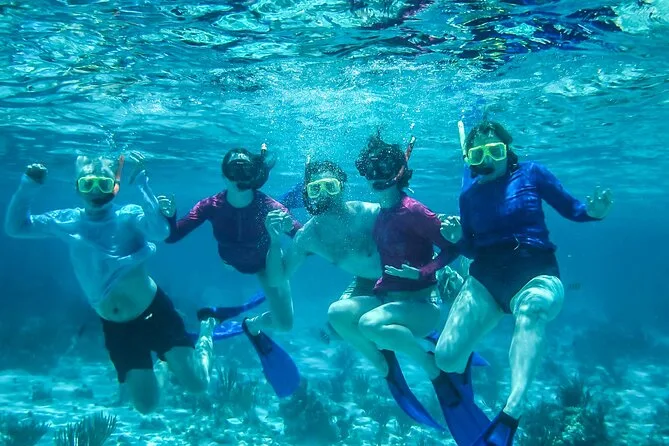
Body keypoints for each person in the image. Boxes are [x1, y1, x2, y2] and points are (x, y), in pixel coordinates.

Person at [435, 120, 613, 445]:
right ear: (470, 158)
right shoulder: (469, 194)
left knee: (531, 311)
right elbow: (472, 249)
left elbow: (573, 208)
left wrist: (595, 212)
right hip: (487, 279)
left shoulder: (531, 173)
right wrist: (458, 238)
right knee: (445, 358)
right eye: (479, 154)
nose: (488, 159)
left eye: (495, 150)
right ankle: (460, 368)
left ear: (508, 150)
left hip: (535, 272)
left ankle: (512, 409)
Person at [4, 153, 216, 414]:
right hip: (117, 326)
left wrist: (142, 184)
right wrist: (29, 185)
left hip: (154, 313)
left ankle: (206, 330)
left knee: (197, 385)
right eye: (87, 184)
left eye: (104, 184)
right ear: (77, 187)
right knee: (146, 406)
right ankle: (164, 365)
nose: (96, 192)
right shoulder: (67, 221)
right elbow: (16, 227)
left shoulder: (128, 215)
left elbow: (160, 232)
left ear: (115, 188)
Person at [159, 145, 301, 398]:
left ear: (253, 175)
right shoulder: (211, 205)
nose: (240, 177)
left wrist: (292, 227)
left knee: (285, 324)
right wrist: (169, 218)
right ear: (224, 176)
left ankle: (251, 325)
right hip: (231, 261)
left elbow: (302, 238)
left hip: (266, 265)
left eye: (246, 170)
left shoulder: (269, 206)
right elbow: (173, 236)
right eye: (234, 170)